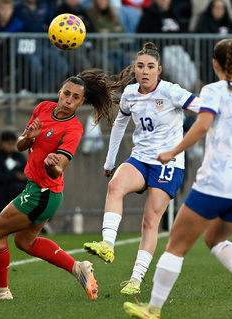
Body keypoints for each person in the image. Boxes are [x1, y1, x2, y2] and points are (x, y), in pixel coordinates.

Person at [123, 38, 232, 319]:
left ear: (214, 64)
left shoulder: (213, 90)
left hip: (216, 182)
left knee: (176, 246)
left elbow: (202, 125)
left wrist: (172, 152)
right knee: (215, 238)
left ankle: (153, 309)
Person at [0, 67, 134, 300]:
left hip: (43, 193)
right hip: (39, 190)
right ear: (59, 92)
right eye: (66, 94)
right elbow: (21, 144)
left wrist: (52, 164)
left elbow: (59, 168)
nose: (69, 100)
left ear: (81, 103)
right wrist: (27, 137)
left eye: (75, 98)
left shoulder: (73, 129)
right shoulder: (42, 108)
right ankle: (77, 268)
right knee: (23, 241)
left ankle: (0, 291)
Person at [83, 42, 201, 296]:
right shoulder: (130, 93)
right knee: (115, 185)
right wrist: (109, 161)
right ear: (134, 69)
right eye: (140, 66)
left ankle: (136, 279)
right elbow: (119, 125)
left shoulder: (171, 91)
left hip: (167, 164)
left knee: (150, 220)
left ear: (159, 70)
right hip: (140, 158)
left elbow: (203, 109)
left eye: (150, 67)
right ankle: (107, 244)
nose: (145, 71)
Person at [0, 130, 27, 214]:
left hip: (19, 190)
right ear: (2, 143)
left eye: (13, 143)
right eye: (8, 143)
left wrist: (24, 176)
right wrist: (14, 175)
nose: (11, 146)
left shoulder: (18, 157)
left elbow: (27, 170)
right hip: (0, 193)